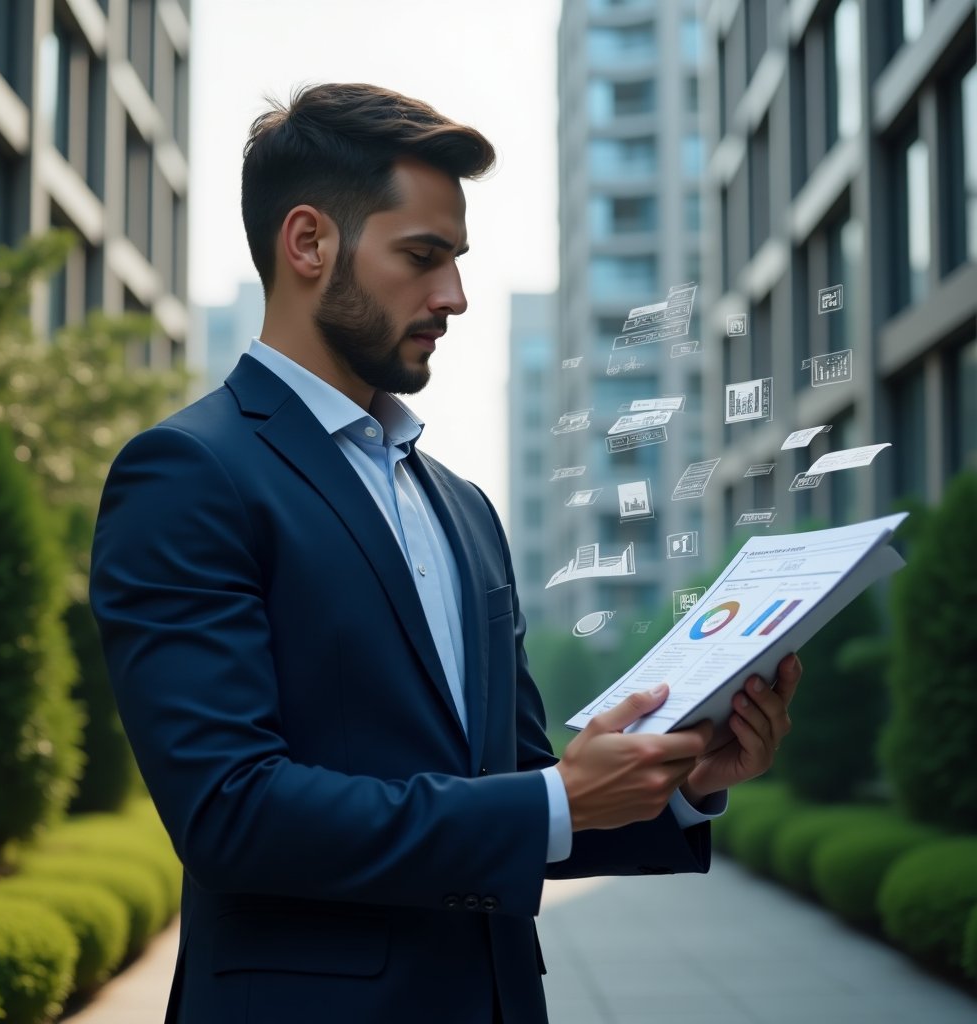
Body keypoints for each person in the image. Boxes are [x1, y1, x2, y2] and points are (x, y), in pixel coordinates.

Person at [90, 83, 799, 1024]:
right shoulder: (188, 474)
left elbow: (517, 796)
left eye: (456, 260)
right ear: (308, 243)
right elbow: (230, 810)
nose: (454, 296)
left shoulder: (462, 507)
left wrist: (677, 784)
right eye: (422, 257)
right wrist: (554, 799)